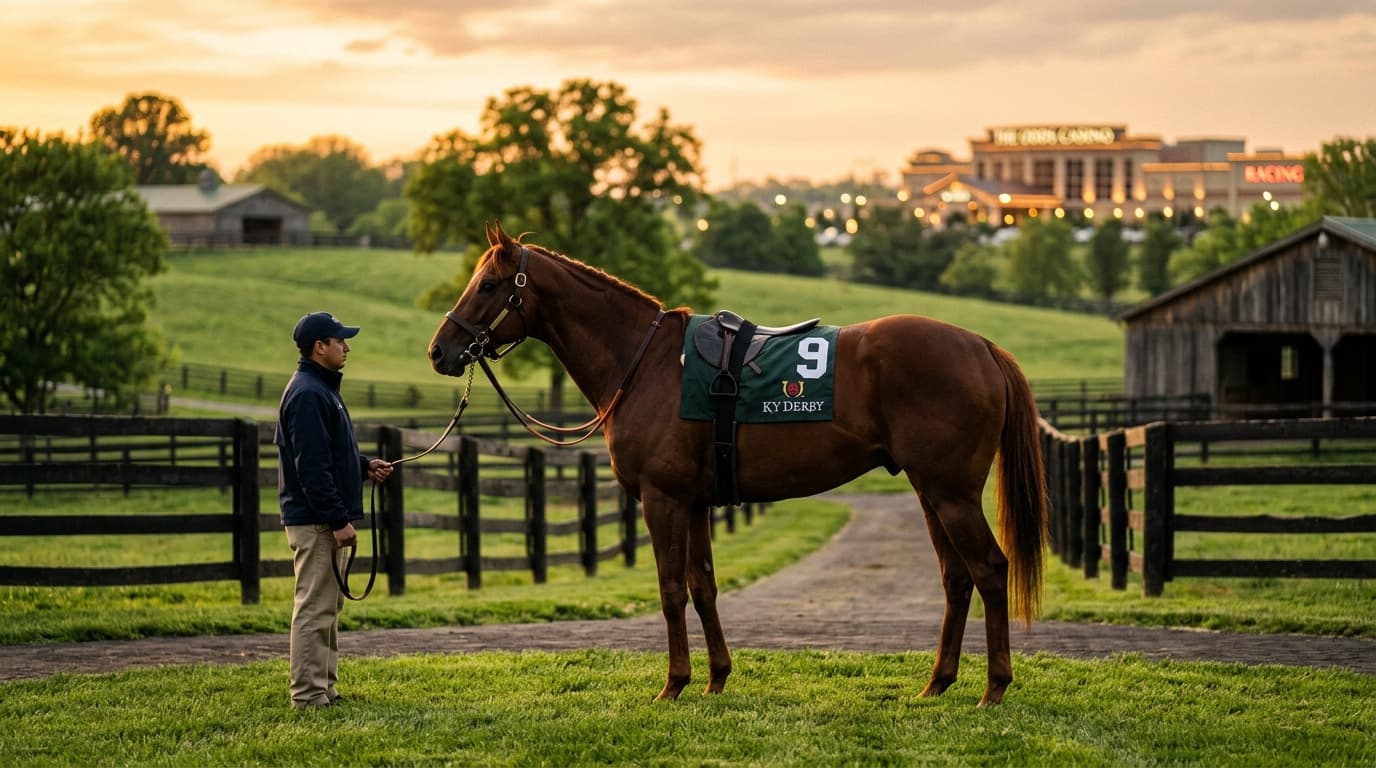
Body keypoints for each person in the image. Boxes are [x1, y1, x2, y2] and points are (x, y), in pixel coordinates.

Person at [275, 311, 392, 708]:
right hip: (317, 520)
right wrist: (338, 520)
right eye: (339, 340)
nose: (347, 347)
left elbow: (330, 453)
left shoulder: (320, 389)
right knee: (314, 606)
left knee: (328, 604)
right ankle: (308, 695)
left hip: (320, 517)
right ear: (319, 347)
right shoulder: (308, 394)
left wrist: (364, 466)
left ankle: (324, 687)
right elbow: (312, 467)